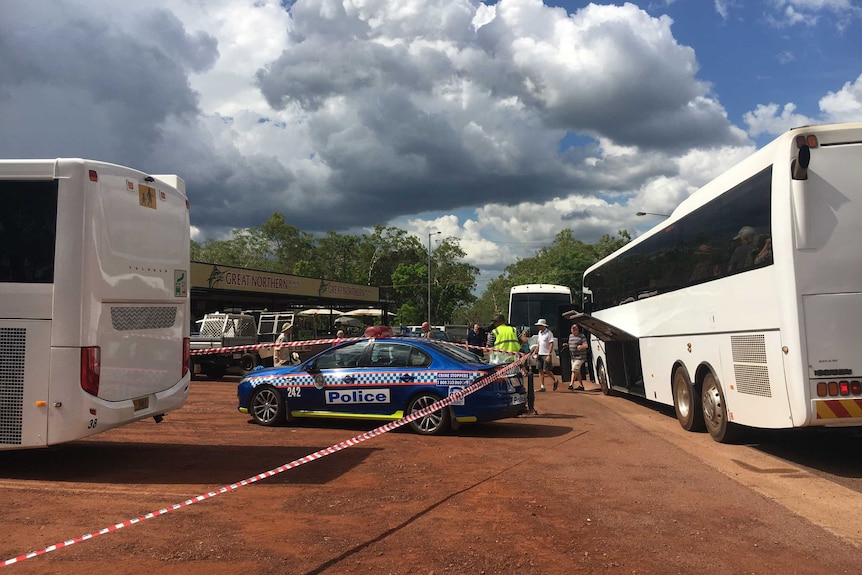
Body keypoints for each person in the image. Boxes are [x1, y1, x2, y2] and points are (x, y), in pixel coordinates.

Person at [534, 318, 560, 391]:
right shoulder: (539, 333)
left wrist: (549, 354)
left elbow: (551, 344)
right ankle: (542, 386)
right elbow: (539, 344)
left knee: (546, 370)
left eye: (540, 325)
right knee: (540, 370)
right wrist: (535, 352)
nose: (538, 327)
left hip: (546, 354)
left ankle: (555, 380)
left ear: (543, 326)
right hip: (540, 354)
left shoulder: (549, 333)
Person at [566, 324, 589, 391]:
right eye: (572, 329)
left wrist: (581, 346)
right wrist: (567, 345)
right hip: (573, 357)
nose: (573, 330)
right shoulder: (570, 336)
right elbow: (571, 344)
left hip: (580, 357)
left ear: (578, 330)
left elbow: (586, 345)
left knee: (574, 369)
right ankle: (581, 386)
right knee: (577, 372)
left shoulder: (581, 336)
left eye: (575, 329)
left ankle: (571, 384)